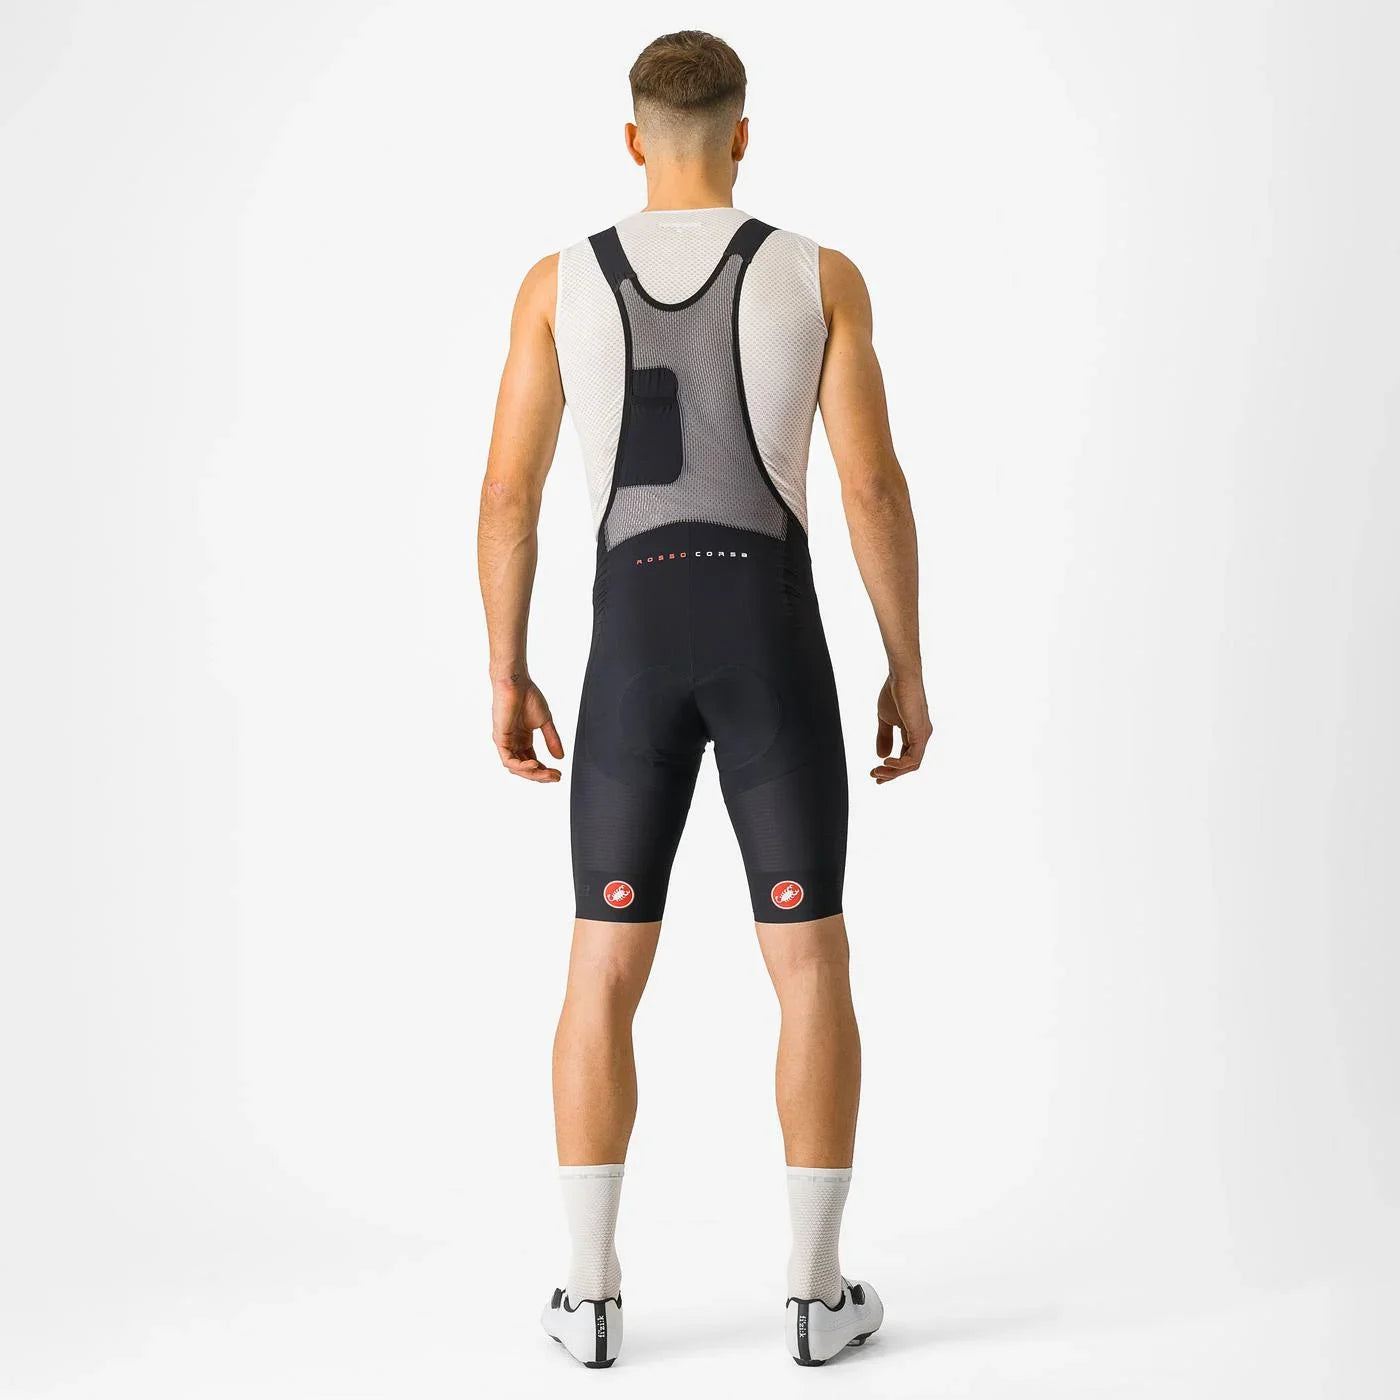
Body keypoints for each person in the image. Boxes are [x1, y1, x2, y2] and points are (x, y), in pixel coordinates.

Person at [477, 29, 928, 1369]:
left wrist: (506, 667)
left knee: (602, 963)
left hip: (629, 652)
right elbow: (871, 487)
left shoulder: (557, 283)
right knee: (809, 955)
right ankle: (815, 1295)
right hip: (769, 641)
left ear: (633, 139)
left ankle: (589, 1299)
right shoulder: (817, 274)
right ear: (743, 134)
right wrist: (905, 662)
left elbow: (506, 497)